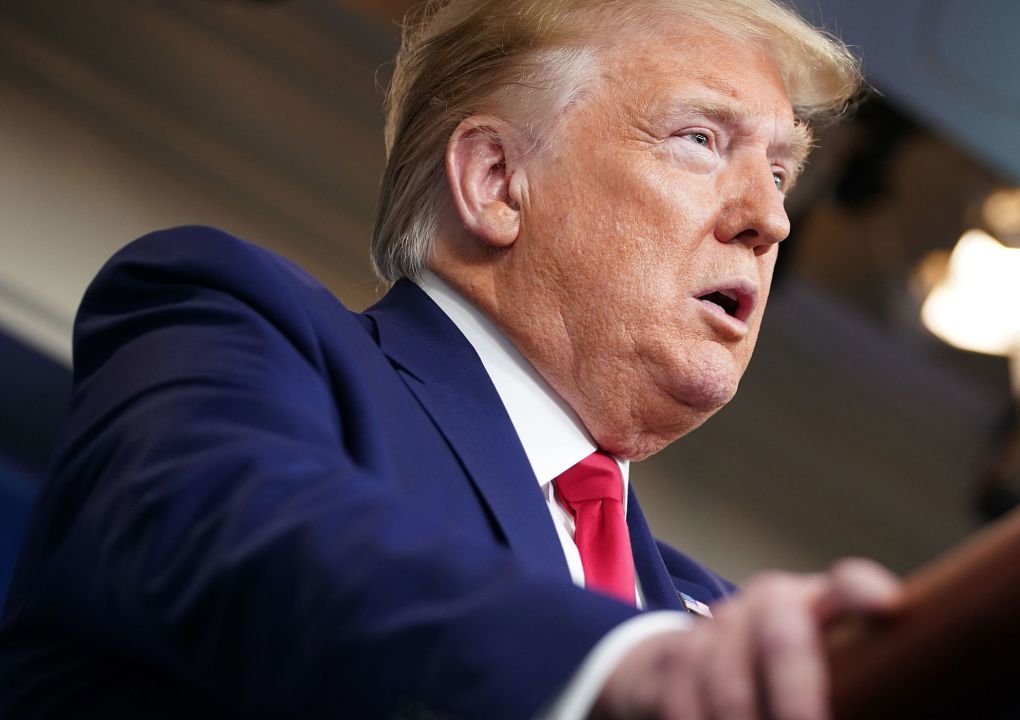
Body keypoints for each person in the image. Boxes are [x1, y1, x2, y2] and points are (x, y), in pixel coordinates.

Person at [0, 0, 903, 717]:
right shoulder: (238, 322)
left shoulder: (715, 620)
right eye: (701, 140)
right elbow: (219, 519)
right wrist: (611, 666)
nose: (771, 220)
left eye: (782, 173)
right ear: (497, 182)